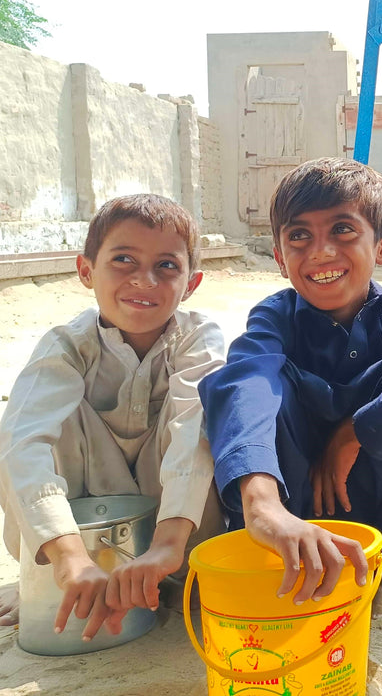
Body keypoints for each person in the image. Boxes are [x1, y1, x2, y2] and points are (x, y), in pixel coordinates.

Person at [199, 158, 382, 617]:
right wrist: (261, 503)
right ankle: (285, 542)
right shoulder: (274, 316)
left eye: (343, 231)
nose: (321, 252)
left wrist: (355, 431)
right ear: (278, 255)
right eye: (299, 236)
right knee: (256, 384)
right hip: (301, 511)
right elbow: (247, 380)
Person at [0, 194, 224, 641]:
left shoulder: (198, 337)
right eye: (123, 259)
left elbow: (190, 431)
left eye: (167, 266)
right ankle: (53, 573)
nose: (145, 280)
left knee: (208, 414)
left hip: (178, 533)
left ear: (192, 283)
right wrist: (69, 558)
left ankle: (171, 572)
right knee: (30, 424)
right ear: (86, 271)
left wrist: (167, 544)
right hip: (82, 539)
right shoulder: (67, 346)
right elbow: (20, 443)